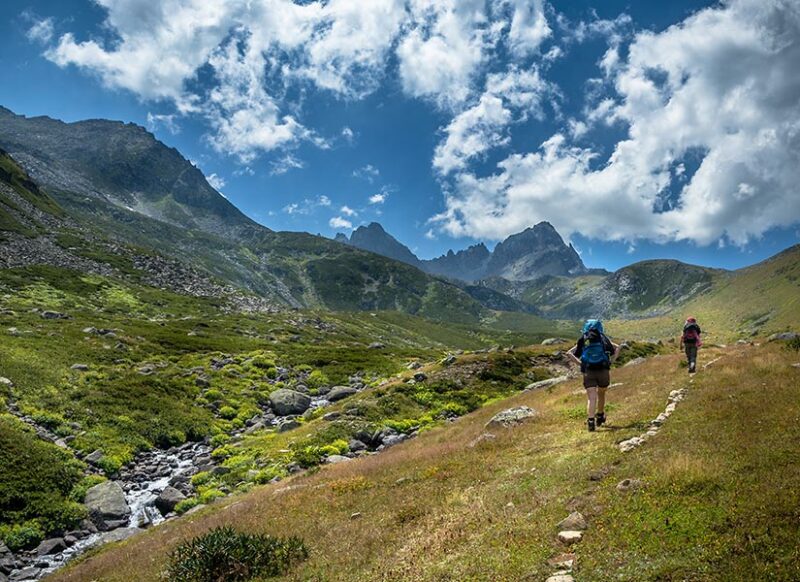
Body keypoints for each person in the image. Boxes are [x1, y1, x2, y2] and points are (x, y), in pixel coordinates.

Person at [568, 319, 620, 432]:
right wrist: (611, 362)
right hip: (603, 370)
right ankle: (600, 416)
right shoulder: (603, 338)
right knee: (601, 394)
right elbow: (616, 348)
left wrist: (581, 364)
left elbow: (569, 353)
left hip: (588, 371)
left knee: (591, 397)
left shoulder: (584, 339)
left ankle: (591, 421)